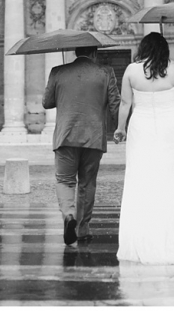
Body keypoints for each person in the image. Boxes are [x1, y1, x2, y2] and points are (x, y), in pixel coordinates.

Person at [114, 32, 174, 264]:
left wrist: (120, 128)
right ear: (164, 49)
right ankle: (169, 235)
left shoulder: (131, 70)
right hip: (170, 126)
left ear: (143, 48)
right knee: (170, 179)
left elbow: (125, 103)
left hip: (141, 125)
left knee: (140, 178)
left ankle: (141, 235)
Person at [43, 46, 120, 245]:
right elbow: (115, 104)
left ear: (75, 53)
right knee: (87, 183)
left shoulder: (58, 71)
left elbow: (46, 102)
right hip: (93, 137)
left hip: (65, 136)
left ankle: (69, 215)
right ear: (94, 54)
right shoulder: (106, 72)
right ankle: (83, 229)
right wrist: (122, 128)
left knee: (65, 180)